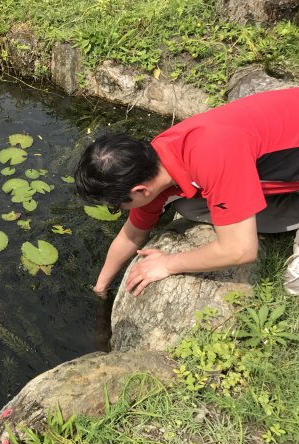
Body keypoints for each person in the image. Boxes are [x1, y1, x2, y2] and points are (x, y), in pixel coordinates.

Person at [74, 88, 299, 297]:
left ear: (140, 191)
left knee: (293, 283)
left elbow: (240, 250)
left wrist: (168, 264)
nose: (120, 210)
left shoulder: (212, 156)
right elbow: (131, 235)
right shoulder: (156, 158)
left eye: (116, 205)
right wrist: (100, 288)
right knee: (189, 206)